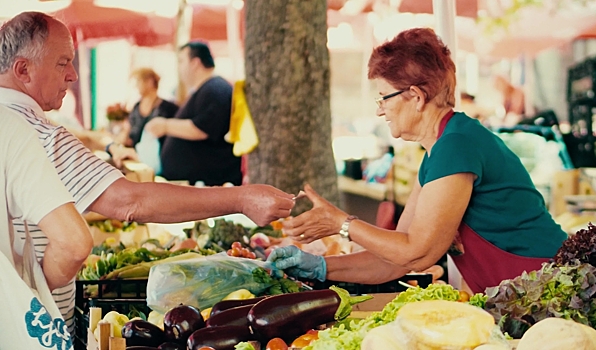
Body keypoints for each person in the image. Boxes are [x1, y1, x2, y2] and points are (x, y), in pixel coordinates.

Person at [0, 12, 295, 333]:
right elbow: (130, 202)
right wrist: (242, 198)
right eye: (62, 63)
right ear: (23, 69)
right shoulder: (37, 135)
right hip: (31, 328)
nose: (72, 75)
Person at [267, 28, 566, 294]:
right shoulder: (441, 149)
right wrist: (319, 266)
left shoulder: (457, 145)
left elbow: (417, 254)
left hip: (547, 288)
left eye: (384, 97)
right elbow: (395, 261)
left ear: (416, 96)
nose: (380, 111)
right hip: (523, 292)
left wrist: (341, 224)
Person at [0, 110, 92, 345]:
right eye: (60, 68)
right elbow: (73, 242)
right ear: (23, 71)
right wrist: (36, 287)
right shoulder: (10, 127)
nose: (71, 75)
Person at [145, 41, 242, 186]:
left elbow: (202, 128)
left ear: (195, 62)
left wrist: (165, 126)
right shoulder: (206, 89)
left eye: (181, 61)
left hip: (207, 184)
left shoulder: (215, 89)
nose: (179, 67)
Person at [116, 67, 179, 148]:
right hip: (133, 156)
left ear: (150, 82)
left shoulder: (169, 108)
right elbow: (129, 132)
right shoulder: (136, 107)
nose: (136, 86)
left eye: (139, 81)